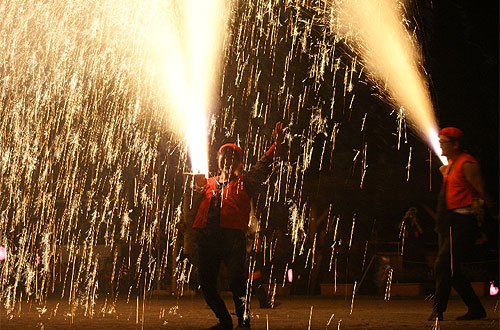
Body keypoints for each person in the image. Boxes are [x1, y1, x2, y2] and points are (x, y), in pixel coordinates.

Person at [192, 122, 284, 330]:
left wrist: (275, 146)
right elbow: (192, 207)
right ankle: (224, 320)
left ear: (239, 163)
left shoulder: (246, 182)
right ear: (218, 160)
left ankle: (244, 321)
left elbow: (264, 166)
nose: (228, 159)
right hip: (207, 237)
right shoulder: (206, 183)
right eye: (224, 156)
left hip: (232, 237)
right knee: (206, 283)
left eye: (233, 157)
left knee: (236, 281)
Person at [429, 127, 496, 321]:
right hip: (448, 221)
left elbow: (483, 193)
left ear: (456, 144)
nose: (440, 144)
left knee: (443, 264)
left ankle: (438, 310)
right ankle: (476, 309)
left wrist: (491, 218)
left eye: (444, 141)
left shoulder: (467, 164)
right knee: (452, 270)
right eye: (439, 141)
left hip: (463, 222)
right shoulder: (450, 165)